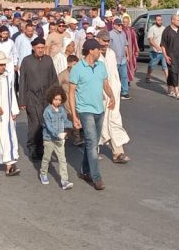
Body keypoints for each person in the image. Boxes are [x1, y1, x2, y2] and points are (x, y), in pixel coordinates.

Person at [68, 38, 115, 191]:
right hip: (85, 110)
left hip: (99, 110)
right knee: (92, 142)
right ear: (90, 51)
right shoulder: (77, 69)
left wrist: (112, 96)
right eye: (97, 49)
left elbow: (105, 84)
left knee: (92, 143)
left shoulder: (101, 66)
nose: (100, 51)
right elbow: (71, 93)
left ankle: (84, 170)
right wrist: (74, 116)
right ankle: (96, 177)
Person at [18, 38, 59, 161]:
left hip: (46, 97)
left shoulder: (48, 60)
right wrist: (22, 101)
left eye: (42, 47)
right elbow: (22, 81)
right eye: (38, 48)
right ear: (33, 48)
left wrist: (56, 96)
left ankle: (42, 149)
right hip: (31, 97)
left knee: (45, 123)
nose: (41, 50)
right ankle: (32, 148)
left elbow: (54, 79)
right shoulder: (26, 61)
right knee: (35, 123)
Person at [97, 29, 131, 164]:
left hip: (113, 93)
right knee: (98, 123)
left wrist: (115, 93)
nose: (106, 43)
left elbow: (114, 75)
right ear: (98, 39)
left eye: (107, 41)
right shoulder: (92, 54)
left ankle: (118, 153)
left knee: (114, 120)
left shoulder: (111, 53)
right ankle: (93, 151)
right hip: (98, 95)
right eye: (104, 41)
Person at [40, 85, 73, 190]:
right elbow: (48, 126)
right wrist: (58, 134)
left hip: (60, 140)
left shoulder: (62, 110)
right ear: (51, 98)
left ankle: (64, 181)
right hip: (49, 139)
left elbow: (65, 121)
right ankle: (43, 173)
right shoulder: (47, 111)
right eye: (55, 99)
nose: (58, 101)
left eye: (60, 99)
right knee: (47, 158)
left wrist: (70, 127)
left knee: (62, 159)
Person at [108, 18, 131, 99]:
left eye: (121, 25)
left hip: (123, 59)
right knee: (114, 77)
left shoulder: (123, 33)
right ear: (114, 25)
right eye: (118, 25)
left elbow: (125, 45)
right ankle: (112, 92)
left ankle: (125, 92)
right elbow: (108, 47)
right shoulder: (110, 34)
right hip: (114, 60)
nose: (120, 26)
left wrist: (127, 55)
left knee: (124, 76)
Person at [145, 14, 167, 83]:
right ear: (155, 21)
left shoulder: (164, 28)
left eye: (161, 20)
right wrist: (157, 47)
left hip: (163, 51)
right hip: (154, 51)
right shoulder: (152, 29)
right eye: (158, 20)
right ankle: (148, 76)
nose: (160, 21)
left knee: (165, 66)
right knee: (152, 65)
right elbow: (150, 40)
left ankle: (168, 80)